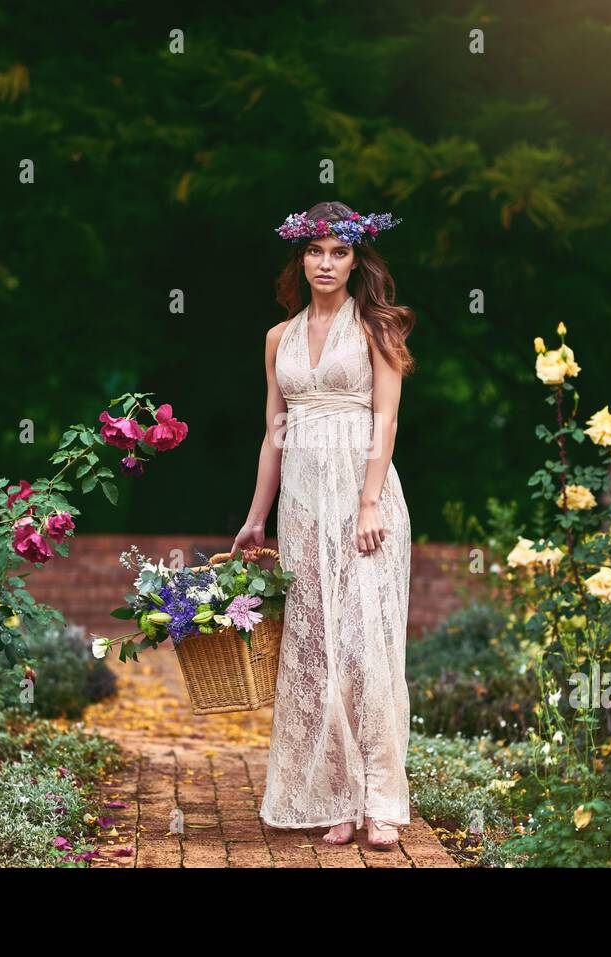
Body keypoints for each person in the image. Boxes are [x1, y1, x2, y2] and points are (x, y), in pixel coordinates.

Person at [231, 201, 416, 849]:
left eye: (340, 252)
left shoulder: (377, 327)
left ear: (358, 259)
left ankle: (382, 800)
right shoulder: (277, 338)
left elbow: (386, 421)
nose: (327, 262)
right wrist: (257, 518)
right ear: (299, 258)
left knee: (366, 645)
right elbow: (273, 432)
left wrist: (369, 502)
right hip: (304, 506)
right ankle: (337, 794)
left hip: (363, 499)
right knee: (318, 648)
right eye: (316, 251)